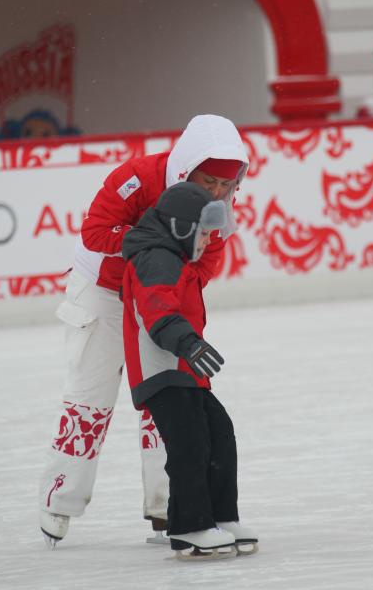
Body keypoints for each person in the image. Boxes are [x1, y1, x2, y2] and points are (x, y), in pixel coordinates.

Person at [39, 114, 249, 547]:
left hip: (157, 296)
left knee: (167, 396)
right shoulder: (136, 177)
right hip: (100, 292)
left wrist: (165, 291)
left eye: (226, 186)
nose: (216, 193)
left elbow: (203, 266)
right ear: (187, 166)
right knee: (90, 397)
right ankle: (59, 501)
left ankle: (166, 505)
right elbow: (96, 232)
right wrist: (148, 242)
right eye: (208, 181)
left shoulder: (219, 209)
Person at [121, 182, 258, 559]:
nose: (208, 239)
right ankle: (189, 526)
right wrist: (189, 343)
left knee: (218, 433)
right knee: (190, 444)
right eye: (203, 231)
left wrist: (189, 350)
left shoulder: (175, 257)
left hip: (184, 369)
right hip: (162, 371)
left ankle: (218, 516)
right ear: (181, 228)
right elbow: (157, 312)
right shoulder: (156, 257)